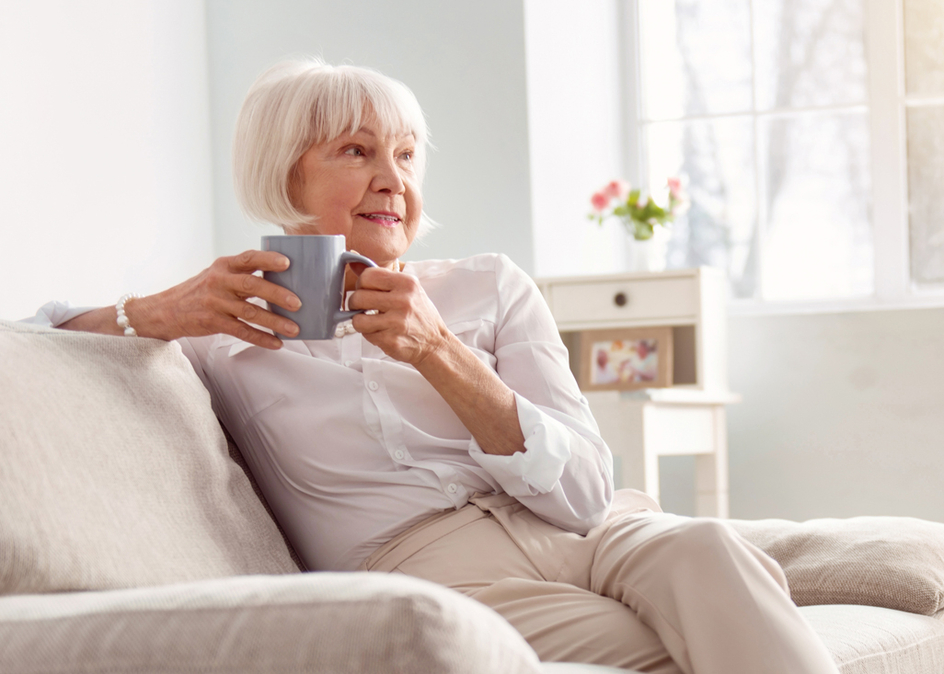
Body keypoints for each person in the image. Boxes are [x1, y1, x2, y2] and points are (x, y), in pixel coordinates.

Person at [29, 58, 839, 674]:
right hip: (433, 573)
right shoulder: (223, 329)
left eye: (408, 155)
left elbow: (587, 489)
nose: (395, 179)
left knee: (708, 550)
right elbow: (33, 339)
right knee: (670, 646)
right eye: (357, 150)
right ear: (287, 172)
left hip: (586, 529)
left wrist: (440, 352)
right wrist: (154, 313)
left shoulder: (487, 285)